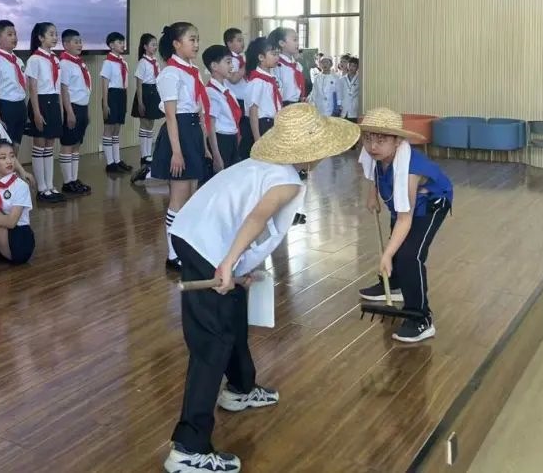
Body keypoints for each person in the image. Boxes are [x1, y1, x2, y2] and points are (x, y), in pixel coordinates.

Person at [164, 104, 360, 473]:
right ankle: (188, 448)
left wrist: (239, 268)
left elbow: (242, 214)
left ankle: (240, 388)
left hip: (196, 233)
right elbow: (256, 217)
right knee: (212, 342)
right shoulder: (284, 181)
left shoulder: (266, 167)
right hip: (206, 244)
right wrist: (227, 264)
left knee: (234, 309)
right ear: (312, 151)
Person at [358, 108, 452, 343]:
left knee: (409, 255)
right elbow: (373, 170)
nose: (372, 146)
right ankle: (395, 284)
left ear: (398, 141)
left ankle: (421, 318)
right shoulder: (377, 154)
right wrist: (373, 194)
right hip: (403, 204)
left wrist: (387, 255)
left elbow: (405, 219)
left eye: (381, 140)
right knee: (397, 246)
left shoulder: (409, 170)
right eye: (368, 138)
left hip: (430, 204)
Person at [150, 22, 211, 271]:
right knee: (178, 198)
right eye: (191, 39)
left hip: (192, 132)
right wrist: (176, 152)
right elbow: (171, 116)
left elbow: (199, 110)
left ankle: (185, 248)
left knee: (190, 196)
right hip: (179, 134)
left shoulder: (193, 71)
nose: (196, 44)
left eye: (197, 39)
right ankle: (173, 253)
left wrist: (204, 144)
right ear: (176, 44)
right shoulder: (170, 73)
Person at [25, 22, 65, 203]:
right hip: (40, 102)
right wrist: (36, 112)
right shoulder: (35, 59)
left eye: (56, 34)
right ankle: (41, 188)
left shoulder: (55, 59)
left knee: (49, 146)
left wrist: (60, 108)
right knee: (39, 145)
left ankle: (50, 185)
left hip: (53, 101)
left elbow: (58, 86)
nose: (55, 37)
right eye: (51, 34)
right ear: (41, 37)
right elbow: (32, 88)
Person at [58, 29, 92, 196]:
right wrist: (69, 112)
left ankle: (74, 179)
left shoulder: (79, 63)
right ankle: (67, 182)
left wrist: (87, 111)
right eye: (75, 42)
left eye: (80, 41)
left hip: (82, 107)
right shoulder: (64, 63)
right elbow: (64, 90)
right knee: (68, 144)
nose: (80, 44)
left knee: (77, 144)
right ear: (65, 44)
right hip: (72, 107)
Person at [0, 19, 27, 146]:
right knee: (5, 146)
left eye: (15, 34)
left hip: (20, 106)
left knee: (16, 144)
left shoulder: (18, 60)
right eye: (9, 34)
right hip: (5, 107)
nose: (14, 38)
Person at [238, 37, 281, 161]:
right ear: (261, 57)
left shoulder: (269, 79)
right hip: (262, 126)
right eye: (273, 54)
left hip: (271, 124)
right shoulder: (257, 82)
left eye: (278, 54)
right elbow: (253, 112)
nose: (277, 57)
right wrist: (258, 141)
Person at [202, 45, 240, 176]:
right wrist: (216, 155)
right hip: (221, 141)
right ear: (214, 66)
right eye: (228, 62)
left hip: (232, 139)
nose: (232, 66)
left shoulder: (227, 91)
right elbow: (210, 126)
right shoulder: (211, 92)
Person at [130, 32, 162, 172]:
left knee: (150, 124)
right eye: (152, 45)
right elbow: (139, 84)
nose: (155, 47)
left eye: (156, 45)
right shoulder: (142, 63)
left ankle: (149, 153)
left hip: (154, 92)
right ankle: (144, 155)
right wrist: (140, 101)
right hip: (145, 93)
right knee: (144, 124)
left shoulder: (155, 62)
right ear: (145, 47)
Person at [100, 32, 131, 173]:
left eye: (123, 42)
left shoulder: (123, 62)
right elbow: (104, 83)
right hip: (111, 95)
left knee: (117, 129)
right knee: (109, 128)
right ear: (111, 45)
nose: (123, 45)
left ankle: (117, 160)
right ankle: (110, 163)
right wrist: (105, 103)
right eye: (120, 42)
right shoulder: (108, 62)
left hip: (121, 95)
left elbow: (125, 83)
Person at [268, 27, 305, 106]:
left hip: (298, 103)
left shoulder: (297, 65)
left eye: (298, 40)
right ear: (282, 43)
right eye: (295, 40)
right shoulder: (277, 66)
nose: (298, 43)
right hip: (284, 105)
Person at [223, 28, 248, 134]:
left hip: (245, 100)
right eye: (239, 40)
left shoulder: (241, 58)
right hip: (236, 100)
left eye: (242, 40)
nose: (242, 43)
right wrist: (247, 65)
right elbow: (233, 79)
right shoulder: (229, 60)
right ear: (229, 43)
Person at [340, 57, 361, 121]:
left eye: (354, 66)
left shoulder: (360, 79)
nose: (351, 67)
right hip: (343, 109)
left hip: (355, 110)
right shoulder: (342, 79)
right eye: (350, 65)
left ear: (357, 68)